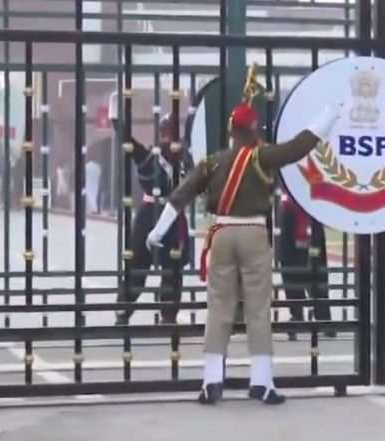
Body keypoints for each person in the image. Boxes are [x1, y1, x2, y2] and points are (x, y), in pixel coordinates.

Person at [145, 97, 343, 405]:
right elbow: (298, 147)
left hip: (221, 232)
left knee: (219, 308)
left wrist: (157, 231)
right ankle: (262, 383)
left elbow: (179, 195)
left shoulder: (212, 162)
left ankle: (211, 382)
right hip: (253, 233)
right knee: (258, 309)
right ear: (254, 130)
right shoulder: (261, 157)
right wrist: (328, 114)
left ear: (230, 129)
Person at [113, 113, 193, 325]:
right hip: (149, 213)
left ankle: (168, 314)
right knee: (137, 264)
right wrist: (115, 116)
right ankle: (124, 310)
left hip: (174, 215)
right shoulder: (149, 157)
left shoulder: (185, 159)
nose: (164, 137)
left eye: (168, 132)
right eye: (163, 132)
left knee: (172, 269)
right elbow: (126, 139)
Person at [277, 188, 334, 340]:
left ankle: (322, 318)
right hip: (293, 242)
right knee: (293, 277)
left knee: (316, 277)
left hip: (310, 242)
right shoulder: (287, 199)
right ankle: (298, 315)